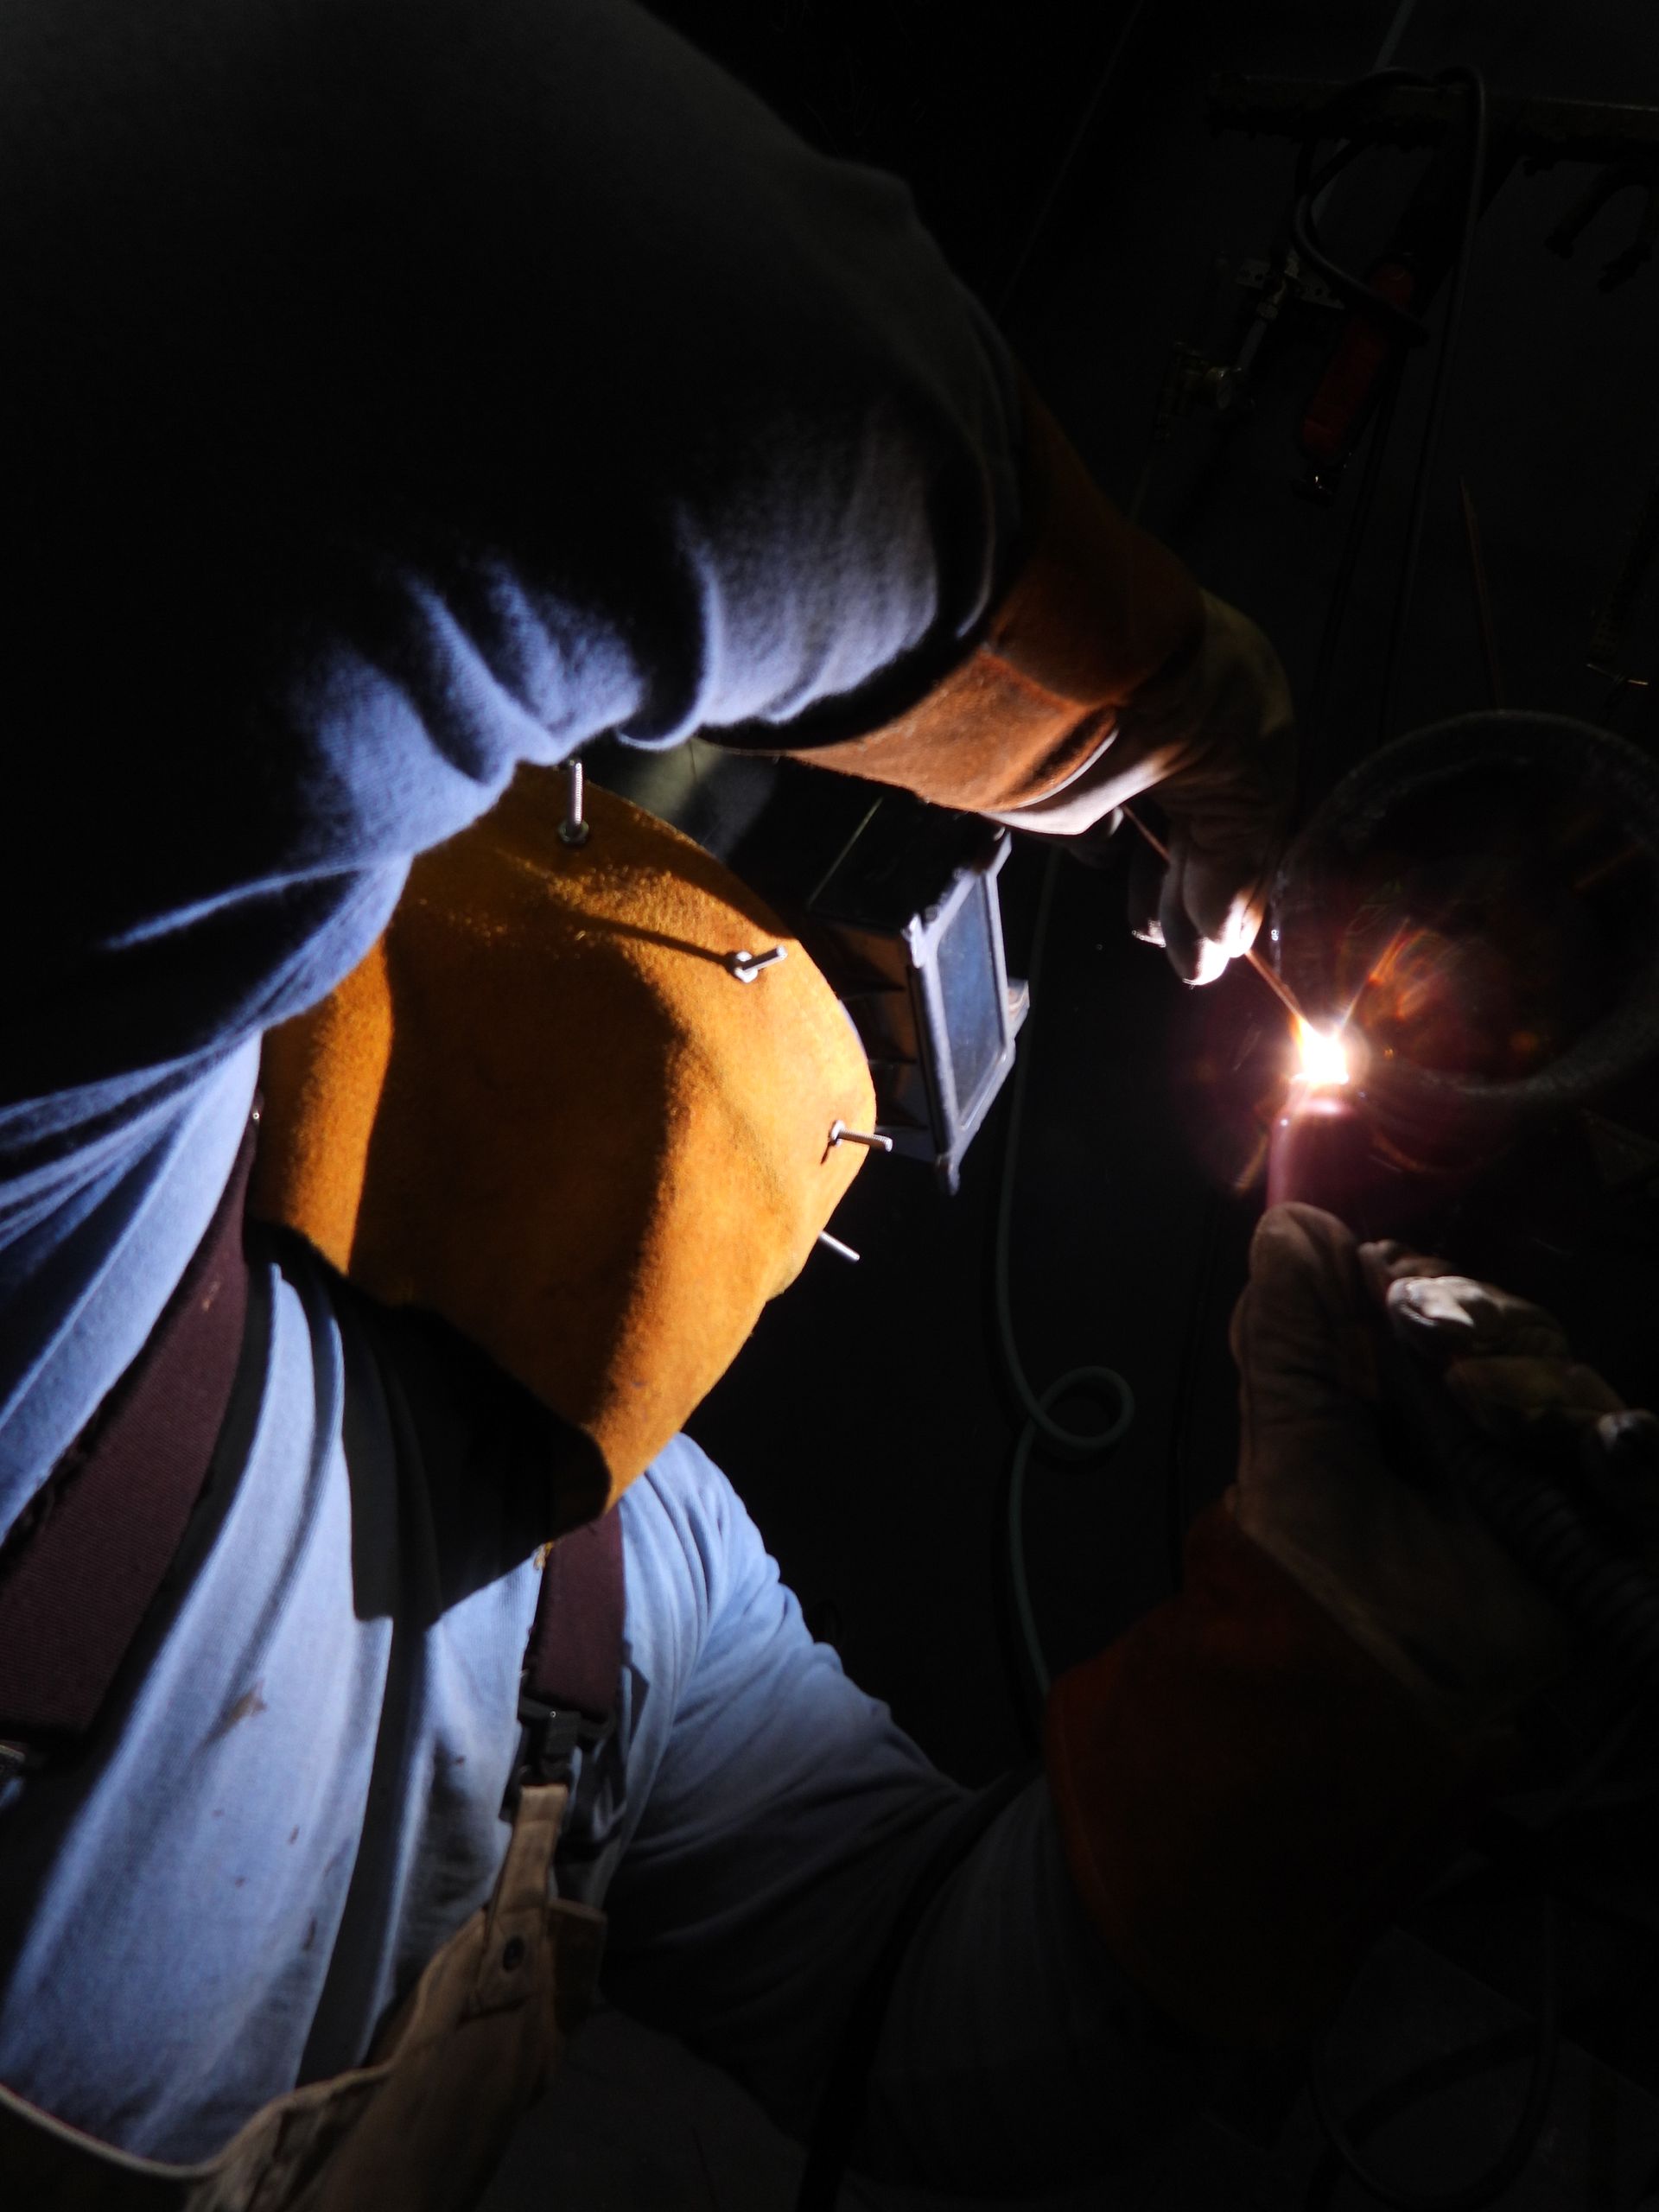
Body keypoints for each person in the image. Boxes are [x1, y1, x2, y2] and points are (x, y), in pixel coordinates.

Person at [0, 3, 1647, 2204]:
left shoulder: (635, 1575)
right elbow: (390, 201)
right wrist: (1147, 719)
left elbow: (909, 2028)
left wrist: (1331, 1669)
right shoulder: (49, 1220)